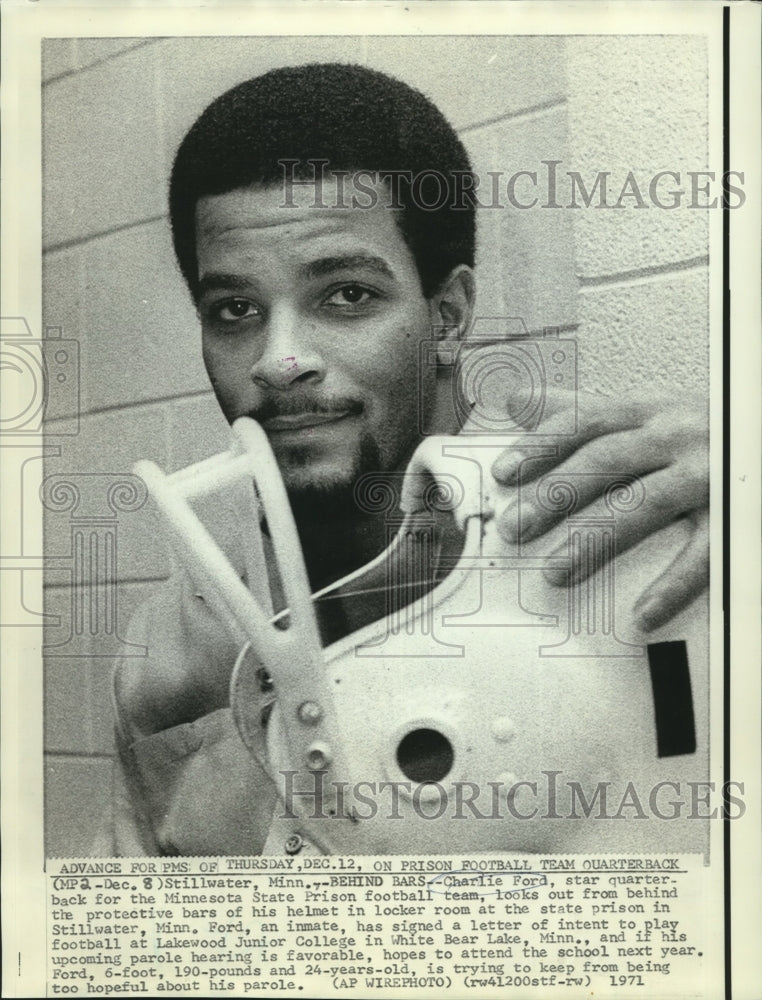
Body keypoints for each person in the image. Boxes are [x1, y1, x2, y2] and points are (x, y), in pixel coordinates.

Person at [102, 63, 708, 856]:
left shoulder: (635, 539)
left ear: (447, 316)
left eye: (346, 294)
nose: (278, 362)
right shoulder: (170, 643)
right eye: (236, 310)